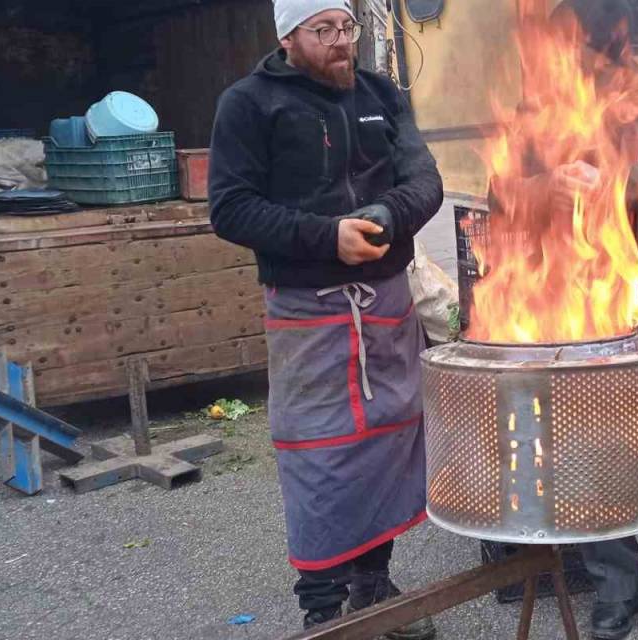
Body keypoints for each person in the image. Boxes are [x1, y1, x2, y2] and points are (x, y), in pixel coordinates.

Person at [491, 1, 638, 638]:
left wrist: (611, 180)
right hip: (573, 322)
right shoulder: (536, 109)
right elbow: (500, 197)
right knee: (592, 461)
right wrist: (552, 189)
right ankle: (615, 592)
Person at [207, 1, 442, 637]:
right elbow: (230, 209)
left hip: (385, 306)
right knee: (320, 454)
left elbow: (425, 179)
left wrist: (389, 216)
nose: (342, 43)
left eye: (348, 28)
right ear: (288, 36)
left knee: (389, 443)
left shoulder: (382, 94)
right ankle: (323, 608)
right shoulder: (248, 104)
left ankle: (374, 589)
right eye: (324, 31)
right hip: (309, 314)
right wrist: (324, 237)